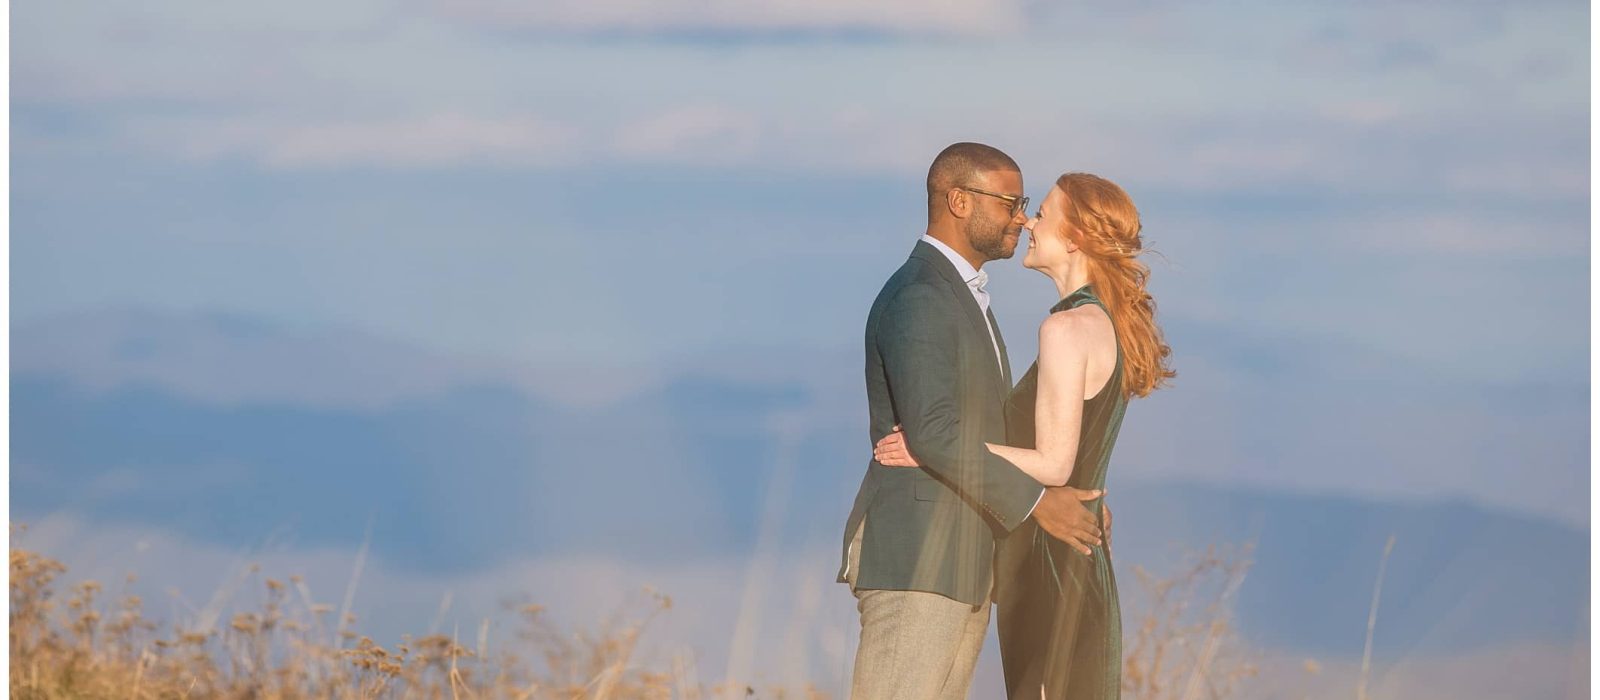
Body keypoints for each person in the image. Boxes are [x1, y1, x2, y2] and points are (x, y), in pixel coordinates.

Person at [874, 172, 1174, 699]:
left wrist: (930, 448)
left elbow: (1055, 465)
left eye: (1044, 213)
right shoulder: (1107, 324)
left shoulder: (1064, 329)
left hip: (1049, 559)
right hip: (1078, 554)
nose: (1029, 222)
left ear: (1075, 238)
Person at [837, 144, 1109, 700]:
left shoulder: (960, 295)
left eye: (1024, 203)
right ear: (959, 201)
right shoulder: (920, 296)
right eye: (1010, 202)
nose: (1021, 217)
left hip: (962, 566)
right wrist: (1038, 501)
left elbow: (970, 431)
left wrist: (1067, 485)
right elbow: (935, 431)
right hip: (917, 563)